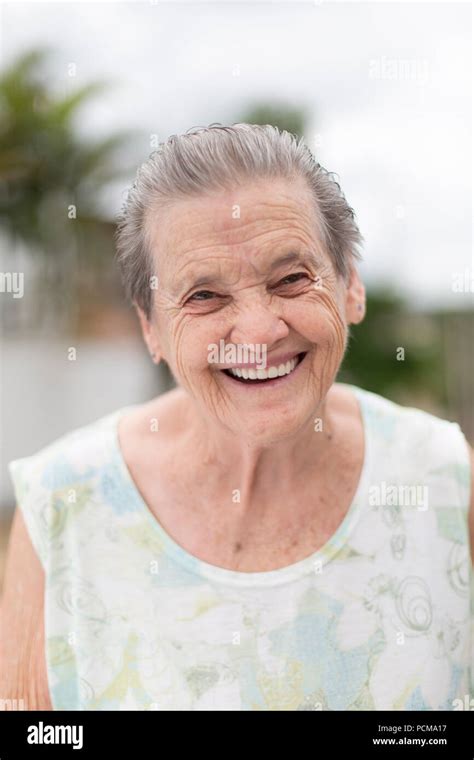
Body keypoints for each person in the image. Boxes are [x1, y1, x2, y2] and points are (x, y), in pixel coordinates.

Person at [1, 124, 472, 711]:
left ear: (351, 285)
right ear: (152, 329)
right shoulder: (61, 502)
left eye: (292, 279)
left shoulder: (447, 479)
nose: (257, 332)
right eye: (204, 296)